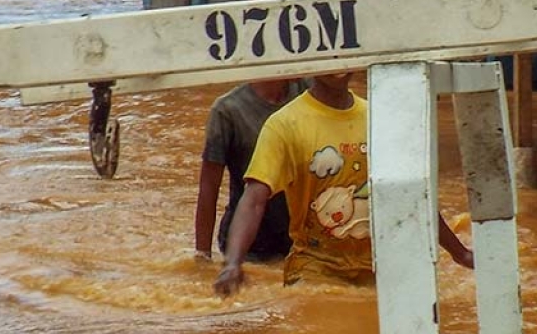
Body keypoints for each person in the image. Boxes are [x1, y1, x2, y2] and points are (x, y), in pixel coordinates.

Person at [213, 71, 472, 295]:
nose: (338, 67)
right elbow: (254, 199)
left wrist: (459, 253)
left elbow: (414, 195)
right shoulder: (284, 125)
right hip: (315, 269)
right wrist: (233, 263)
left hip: (378, 268)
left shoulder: (378, 118)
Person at [194, 79, 304, 262]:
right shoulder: (227, 110)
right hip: (249, 242)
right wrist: (203, 255)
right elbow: (209, 186)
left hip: (301, 240)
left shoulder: (310, 92)